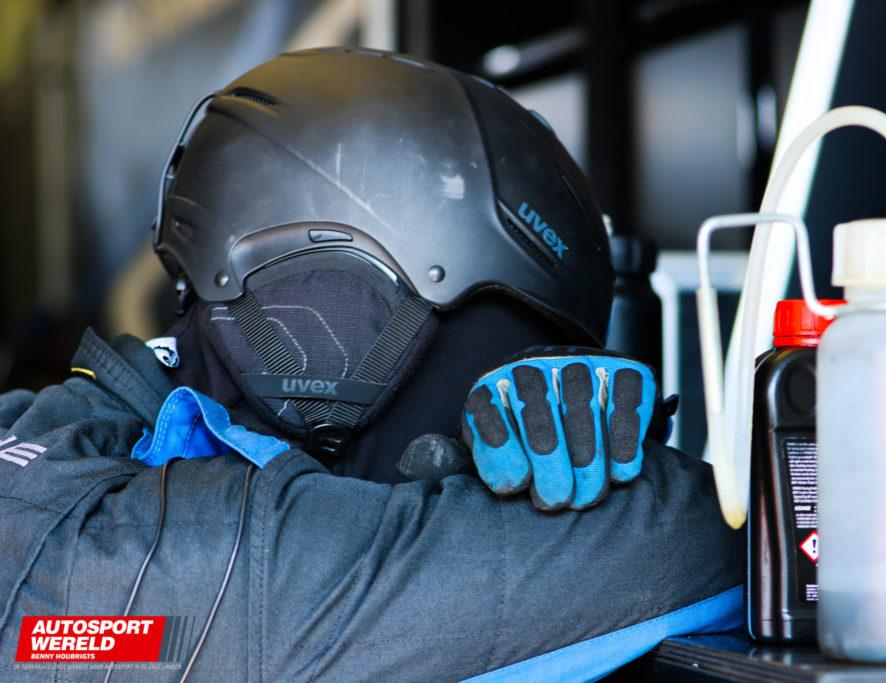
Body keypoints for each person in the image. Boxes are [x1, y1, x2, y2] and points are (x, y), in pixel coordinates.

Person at [0, 48, 742, 681]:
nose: (462, 406)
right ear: (332, 299)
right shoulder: (80, 539)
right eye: (477, 340)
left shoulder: (126, 444)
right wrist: (624, 489)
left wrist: (577, 449)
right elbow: (699, 542)